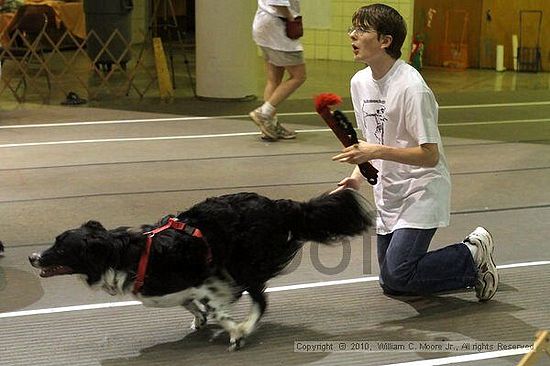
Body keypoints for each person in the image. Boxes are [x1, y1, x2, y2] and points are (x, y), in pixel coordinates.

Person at [332, 4, 498, 301]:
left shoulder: (412, 87)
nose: (352, 36)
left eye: (361, 30)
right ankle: (470, 265)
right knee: (392, 281)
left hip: (421, 189)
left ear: (385, 41)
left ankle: (472, 254)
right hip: (388, 190)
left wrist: (375, 150)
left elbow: (429, 155)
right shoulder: (359, 83)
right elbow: (372, 140)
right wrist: (356, 176)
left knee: (399, 273)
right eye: (352, 29)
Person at [249, 0, 306, 141]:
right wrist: (291, 18)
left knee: (274, 79)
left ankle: (270, 125)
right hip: (277, 28)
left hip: (264, 26)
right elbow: (278, 3)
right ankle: (264, 113)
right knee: (298, 76)